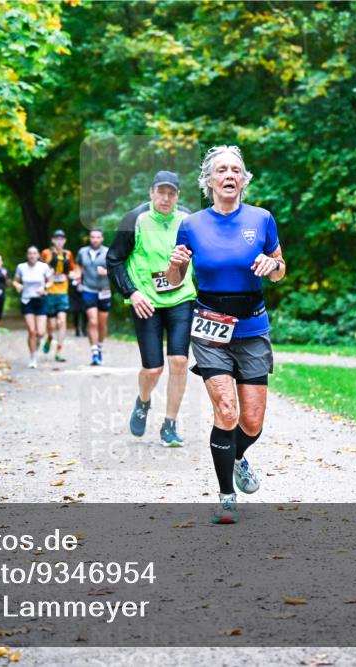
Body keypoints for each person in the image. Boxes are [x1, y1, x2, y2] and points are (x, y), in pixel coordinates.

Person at [165, 146, 286, 524]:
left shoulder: (262, 219)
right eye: (222, 170)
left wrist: (272, 265)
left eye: (236, 169)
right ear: (210, 180)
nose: (229, 175)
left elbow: (281, 268)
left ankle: (236, 457)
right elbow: (173, 282)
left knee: (251, 423)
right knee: (227, 410)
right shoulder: (192, 225)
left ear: (243, 179)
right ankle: (225, 496)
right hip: (210, 327)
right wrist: (174, 266)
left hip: (252, 327)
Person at [106, 171, 196, 446]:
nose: (165, 198)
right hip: (146, 302)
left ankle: (170, 424)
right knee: (153, 368)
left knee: (179, 361)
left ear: (178, 196)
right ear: (151, 192)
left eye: (171, 193)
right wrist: (132, 293)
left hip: (181, 297)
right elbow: (114, 260)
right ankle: (143, 402)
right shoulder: (135, 219)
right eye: (161, 192)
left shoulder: (188, 220)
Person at [40, 230, 78, 363]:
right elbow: (39, 269)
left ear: (65, 241)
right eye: (57, 239)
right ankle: (49, 337)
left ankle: (59, 351)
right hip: (50, 292)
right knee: (51, 325)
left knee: (61, 322)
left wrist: (74, 275)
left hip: (63, 292)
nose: (59, 241)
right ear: (53, 240)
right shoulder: (47, 253)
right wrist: (47, 273)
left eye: (62, 239)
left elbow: (74, 269)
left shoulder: (68, 254)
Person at [13, 246, 54, 369]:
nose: (32, 256)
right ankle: (32, 357)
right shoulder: (21, 267)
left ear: (38, 255)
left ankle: (38, 341)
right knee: (32, 331)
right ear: (27, 255)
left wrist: (45, 287)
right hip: (27, 301)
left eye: (34, 253)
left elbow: (51, 281)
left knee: (40, 332)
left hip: (41, 300)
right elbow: (15, 281)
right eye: (30, 253)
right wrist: (18, 286)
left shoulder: (43, 267)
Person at [76, 228, 111, 365]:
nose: (95, 239)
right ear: (89, 238)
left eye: (98, 237)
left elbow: (116, 270)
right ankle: (94, 352)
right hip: (88, 289)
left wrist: (106, 272)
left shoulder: (108, 252)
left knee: (102, 323)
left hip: (104, 290)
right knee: (93, 321)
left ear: (102, 239)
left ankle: (100, 346)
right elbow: (78, 266)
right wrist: (78, 275)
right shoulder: (82, 252)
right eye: (92, 237)